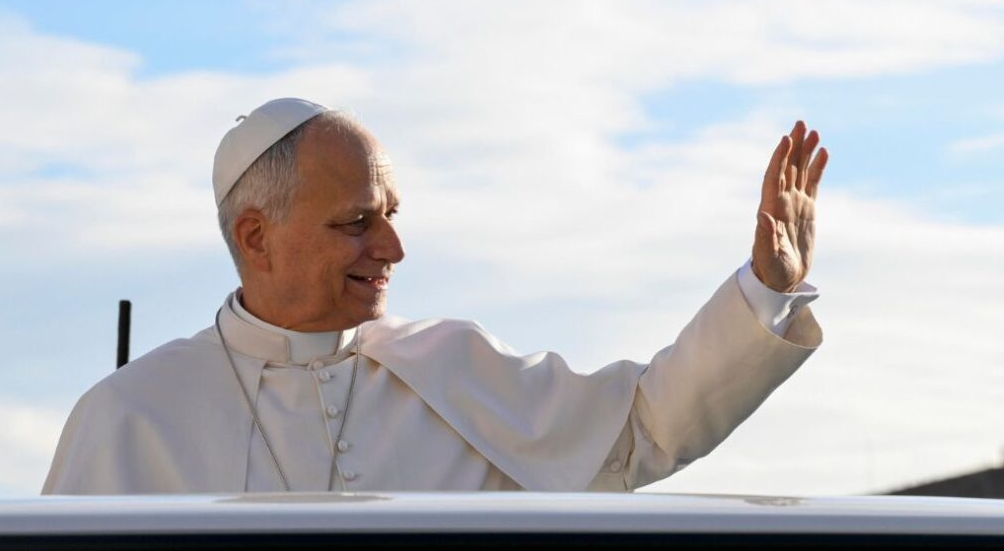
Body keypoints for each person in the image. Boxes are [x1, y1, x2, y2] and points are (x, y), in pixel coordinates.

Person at [41, 97, 829, 494]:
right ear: (256, 237)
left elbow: (643, 432)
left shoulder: (453, 369)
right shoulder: (129, 419)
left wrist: (766, 291)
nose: (391, 249)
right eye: (355, 223)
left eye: (390, 217)